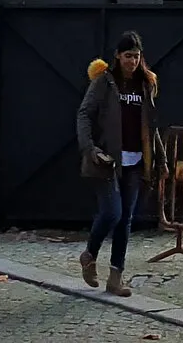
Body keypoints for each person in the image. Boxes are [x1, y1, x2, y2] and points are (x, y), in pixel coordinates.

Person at [75, 31, 160, 298]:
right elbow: (84, 114)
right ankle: (89, 254)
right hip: (108, 161)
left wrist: (162, 158)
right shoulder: (105, 82)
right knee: (112, 212)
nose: (132, 61)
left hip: (135, 161)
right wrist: (89, 148)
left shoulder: (144, 84)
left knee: (126, 220)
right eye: (127, 56)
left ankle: (115, 277)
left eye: (136, 56)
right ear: (117, 56)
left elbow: (150, 125)